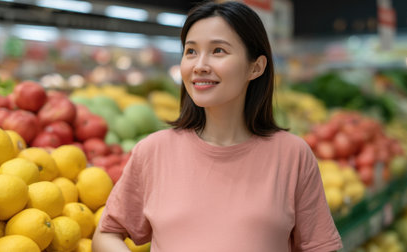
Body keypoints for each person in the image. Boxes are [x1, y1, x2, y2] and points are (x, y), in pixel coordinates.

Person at [92, 1, 343, 251]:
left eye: (218, 51)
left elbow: (321, 247)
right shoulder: (153, 151)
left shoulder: (292, 155)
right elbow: (106, 234)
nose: (199, 65)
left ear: (255, 67)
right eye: (191, 51)